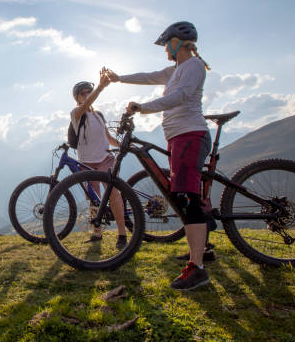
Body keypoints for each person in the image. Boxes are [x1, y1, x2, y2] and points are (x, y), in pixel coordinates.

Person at [103, 21, 213, 290]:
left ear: (177, 42)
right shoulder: (176, 69)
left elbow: (180, 97)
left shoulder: (194, 66)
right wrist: (119, 78)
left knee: (186, 196)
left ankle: (197, 268)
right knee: (184, 194)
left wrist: (143, 107)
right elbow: (150, 76)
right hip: (178, 138)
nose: (164, 49)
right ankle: (202, 249)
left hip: (190, 134)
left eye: (166, 44)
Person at [71, 72, 127, 249]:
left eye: (89, 91)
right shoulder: (76, 113)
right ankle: (97, 233)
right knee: (93, 199)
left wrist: (122, 145)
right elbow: (87, 104)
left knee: (114, 195)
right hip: (86, 162)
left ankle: (122, 234)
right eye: (83, 93)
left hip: (105, 159)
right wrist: (100, 88)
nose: (87, 95)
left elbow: (108, 137)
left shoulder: (99, 115)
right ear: (77, 98)